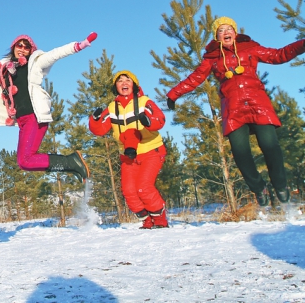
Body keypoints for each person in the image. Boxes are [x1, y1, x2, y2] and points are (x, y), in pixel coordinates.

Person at [166, 17, 305, 206]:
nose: (225, 32)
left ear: (235, 33)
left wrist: (302, 44)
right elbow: (196, 77)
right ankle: (259, 188)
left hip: (258, 104)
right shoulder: (212, 58)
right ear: (217, 37)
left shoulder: (250, 48)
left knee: (271, 146)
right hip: (233, 109)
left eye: (228, 29)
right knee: (240, 153)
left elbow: (279, 55)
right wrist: (174, 94)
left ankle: (281, 185)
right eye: (221, 30)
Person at [0, 32, 97, 182]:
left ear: (31, 50)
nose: (22, 49)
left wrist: (79, 45)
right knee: (23, 162)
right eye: (19, 45)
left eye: (26, 47)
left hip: (34, 116)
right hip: (22, 120)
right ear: (13, 47)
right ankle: (71, 163)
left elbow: (55, 54)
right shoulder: (3, 67)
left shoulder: (35, 63)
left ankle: (70, 162)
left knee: (26, 159)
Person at [89, 71, 169, 229]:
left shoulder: (145, 102)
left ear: (134, 85)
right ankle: (146, 220)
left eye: (128, 80)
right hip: (127, 155)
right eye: (120, 81)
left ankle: (160, 219)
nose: (124, 83)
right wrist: (95, 119)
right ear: (115, 86)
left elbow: (159, 119)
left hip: (150, 150)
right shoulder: (112, 108)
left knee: (143, 187)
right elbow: (99, 130)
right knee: (129, 191)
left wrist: (148, 122)